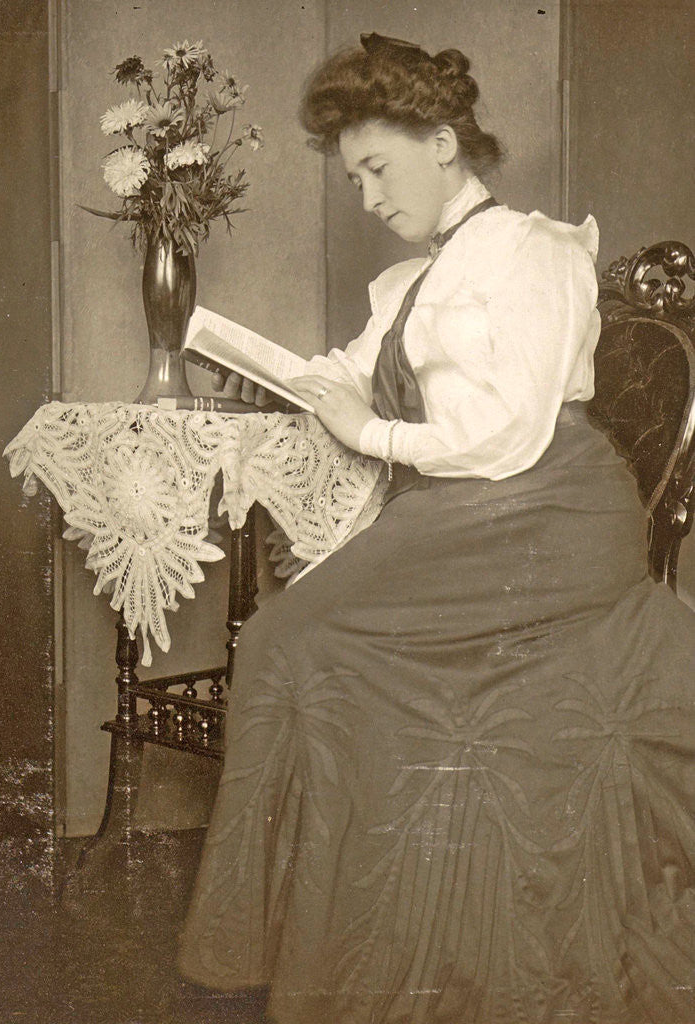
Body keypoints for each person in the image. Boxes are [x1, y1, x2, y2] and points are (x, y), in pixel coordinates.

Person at [178, 34, 695, 1024]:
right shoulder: (404, 287)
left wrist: (361, 425)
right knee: (296, 640)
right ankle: (311, 939)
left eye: (376, 167)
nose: (367, 198)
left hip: (547, 511)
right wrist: (277, 378)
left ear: (443, 138)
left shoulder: (534, 254)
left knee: (291, 636)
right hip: (466, 509)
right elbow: (344, 374)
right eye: (353, 177)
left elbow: (504, 436)